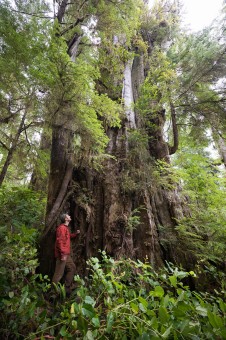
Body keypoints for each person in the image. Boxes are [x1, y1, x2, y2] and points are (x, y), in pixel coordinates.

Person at [52, 213, 80, 296]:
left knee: (72, 268)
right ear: (65, 219)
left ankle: (66, 289)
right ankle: (52, 293)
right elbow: (60, 241)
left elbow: (67, 237)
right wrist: (63, 253)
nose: (70, 216)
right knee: (58, 274)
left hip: (66, 254)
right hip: (62, 254)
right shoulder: (61, 228)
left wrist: (75, 234)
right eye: (68, 216)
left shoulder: (65, 228)